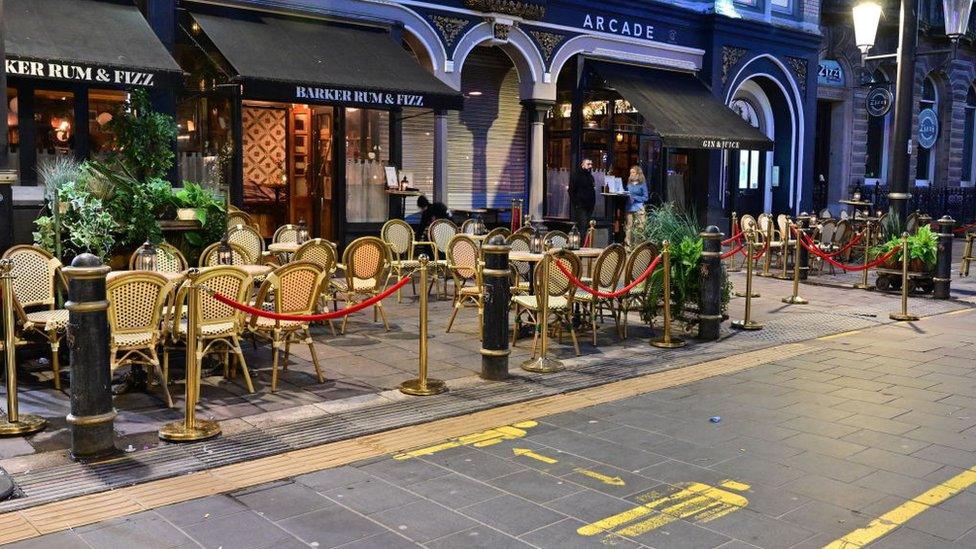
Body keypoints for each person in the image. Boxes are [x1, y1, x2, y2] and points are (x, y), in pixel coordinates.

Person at [569, 158, 596, 232]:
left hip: (589, 206)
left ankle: (585, 243)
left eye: (591, 164)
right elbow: (571, 190)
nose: (590, 166)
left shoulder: (590, 176)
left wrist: (593, 203)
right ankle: (582, 243)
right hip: (581, 206)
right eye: (588, 164)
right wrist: (577, 203)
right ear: (582, 165)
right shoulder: (577, 175)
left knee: (587, 227)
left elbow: (592, 189)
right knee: (583, 227)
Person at [625, 165, 649, 246]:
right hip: (629, 207)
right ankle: (628, 245)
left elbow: (646, 198)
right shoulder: (629, 183)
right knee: (629, 227)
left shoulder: (642, 184)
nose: (631, 174)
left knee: (640, 227)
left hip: (639, 208)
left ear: (638, 173)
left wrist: (635, 198)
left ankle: (638, 245)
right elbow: (626, 193)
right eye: (630, 172)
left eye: (633, 172)